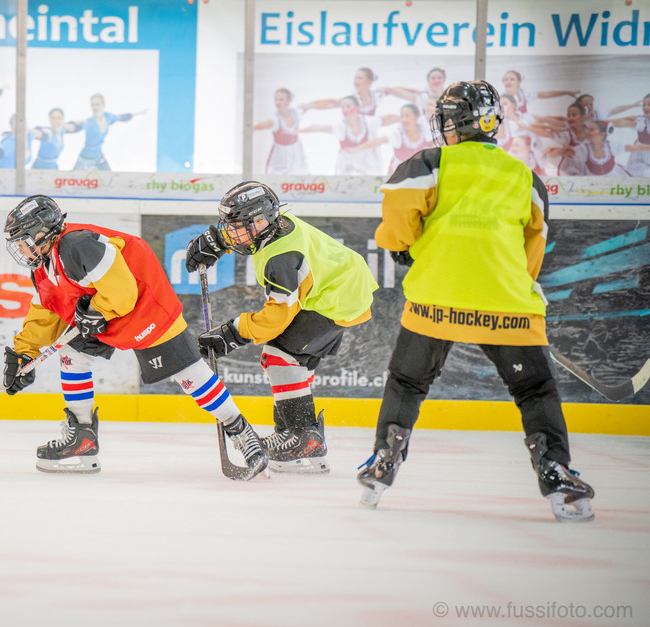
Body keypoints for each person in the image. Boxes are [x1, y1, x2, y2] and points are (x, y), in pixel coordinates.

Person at [357, 80, 595, 522]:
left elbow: (397, 216)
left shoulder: (428, 163)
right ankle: (554, 468)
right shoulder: (526, 178)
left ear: (451, 123)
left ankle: (384, 460)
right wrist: (513, 286)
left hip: (434, 304)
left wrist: (404, 245)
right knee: (535, 390)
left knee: (407, 383)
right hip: (507, 308)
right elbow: (535, 244)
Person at [2, 195, 268, 480]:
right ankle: (82, 438)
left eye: (23, 240)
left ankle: (242, 432)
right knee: (72, 354)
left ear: (42, 233)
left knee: (189, 373)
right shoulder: (44, 264)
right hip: (102, 311)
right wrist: (25, 353)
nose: (20, 248)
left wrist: (97, 311)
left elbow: (123, 292)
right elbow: (48, 309)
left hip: (145, 306)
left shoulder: (77, 245)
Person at [184, 181, 378, 474]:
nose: (232, 233)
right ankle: (298, 438)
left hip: (337, 297)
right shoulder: (275, 226)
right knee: (292, 361)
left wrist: (232, 333)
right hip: (338, 284)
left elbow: (275, 320)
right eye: (230, 226)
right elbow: (251, 237)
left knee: (279, 355)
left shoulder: (281, 258)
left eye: (237, 227)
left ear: (261, 221)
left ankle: (302, 439)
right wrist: (219, 241)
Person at [300, 95, 384, 175]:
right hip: (347, 165)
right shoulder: (341, 127)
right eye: (342, 107)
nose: (344, 110)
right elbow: (319, 127)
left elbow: (388, 119)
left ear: (357, 107)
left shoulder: (368, 122)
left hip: (367, 163)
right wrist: (299, 131)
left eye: (348, 106)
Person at [72, 93, 145, 171]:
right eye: (92, 105)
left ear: (103, 105)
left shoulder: (108, 117)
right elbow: (73, 128)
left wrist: (139, 113)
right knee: (73, 180)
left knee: (111, 178)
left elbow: (123, 117)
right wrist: (66, 125)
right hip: (85, 159)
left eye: (97, 104)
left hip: (99, 158)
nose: (94, 107)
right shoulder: (88, 122)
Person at [254, 88, 310, 175]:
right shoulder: (275, 119)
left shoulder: (296, 112)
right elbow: (260, 126)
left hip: (297, 152)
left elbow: (312, 105)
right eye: (276, 99)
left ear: (289, 101)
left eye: (281, 99)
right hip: (280, 155)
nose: (277, 102)